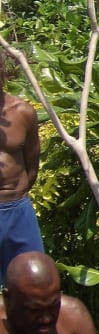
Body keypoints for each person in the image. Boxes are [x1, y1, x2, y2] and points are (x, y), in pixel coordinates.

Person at [0, 63, 43, 285]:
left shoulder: (22, 112)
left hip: (17, 211)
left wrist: (14, 196)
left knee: (32, 284)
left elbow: (32, 165)